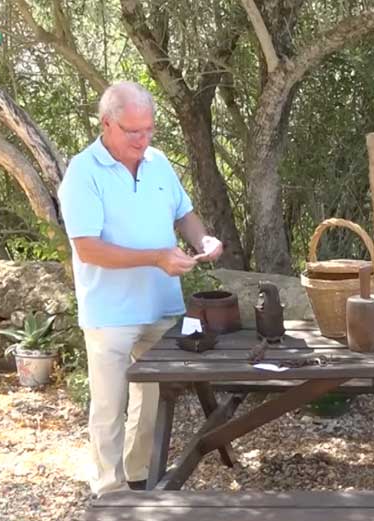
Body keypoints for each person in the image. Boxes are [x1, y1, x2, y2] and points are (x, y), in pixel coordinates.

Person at [58, 82, 224, 496]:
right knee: (110, 405)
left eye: (148, 129)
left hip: (161, 306)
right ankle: (109, 490)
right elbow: (88, 248)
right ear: (106, 124)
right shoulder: (83, 171)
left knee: (152, 402)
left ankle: (138, 475)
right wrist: (155, 257)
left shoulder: (159, 163)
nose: (142, 139)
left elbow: (185, 213)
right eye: (133, 131)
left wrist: (203, 239)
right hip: (109, 312)